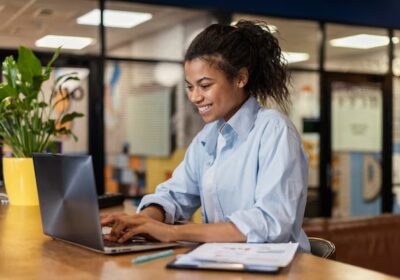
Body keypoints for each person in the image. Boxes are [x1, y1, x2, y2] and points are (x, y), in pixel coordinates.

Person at [101, 20, 310, 252]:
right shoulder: (208, 136)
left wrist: (171, 232)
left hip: (278, 269)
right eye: (190, 87)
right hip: (224, 261)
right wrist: (146, 219)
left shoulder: (274, 131)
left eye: (205, 85)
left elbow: (269, 223)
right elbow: (175, 194)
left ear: (240, 78)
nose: (195, 97)